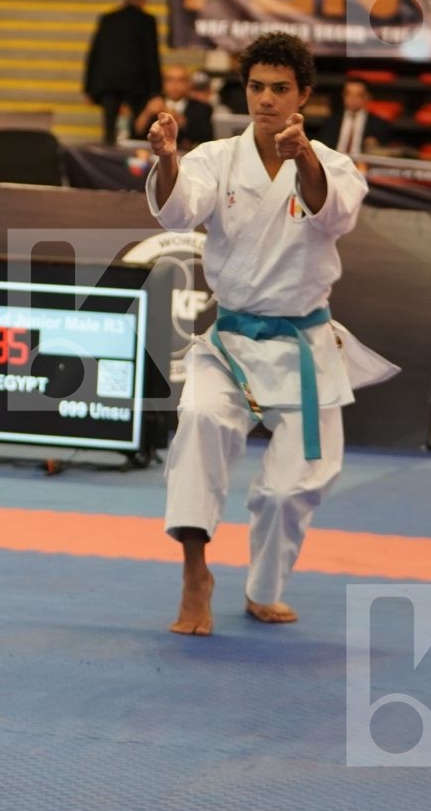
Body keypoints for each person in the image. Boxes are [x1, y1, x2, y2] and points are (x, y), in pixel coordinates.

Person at [146, 31, 396, 636]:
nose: (266, 99)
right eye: (257, 87)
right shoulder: (214, 157)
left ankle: (264, 586)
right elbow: (179, 210)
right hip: (229, 343)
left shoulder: (333, 164)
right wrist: (168, 159)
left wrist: (303, 156)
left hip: (303, 347)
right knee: (199, 423)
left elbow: (334, 214)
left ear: (303, 95)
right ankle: (194, 574)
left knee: (293, 488)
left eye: (280, 89)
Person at [82, 0, 161, 142]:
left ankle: (109, 159)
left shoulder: (108, 19)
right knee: (135, 130)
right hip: (136, 86)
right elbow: (151, 56)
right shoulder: (147, 21)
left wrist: (88, 87)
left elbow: (94, 53)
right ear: (143, 0)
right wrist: (156, 91)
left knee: (109, 130)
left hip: (108, 84)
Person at [135, 65, 214, 146]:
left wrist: (180, 122)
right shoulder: (151, 102)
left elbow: (206, 139)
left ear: (188, 83)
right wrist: (147, 113)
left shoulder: (202, 108)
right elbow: (136, 133)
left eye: (180, 80)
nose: (174, 85)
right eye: (170, 80)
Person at [329, 77, 397, 157]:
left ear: (367, 97)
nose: (352, 99)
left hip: (363, 165)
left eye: (358, 95)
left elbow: (387, 152)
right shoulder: (331, 122)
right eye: (348, 94)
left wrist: (375, 147)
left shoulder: (380, 125)